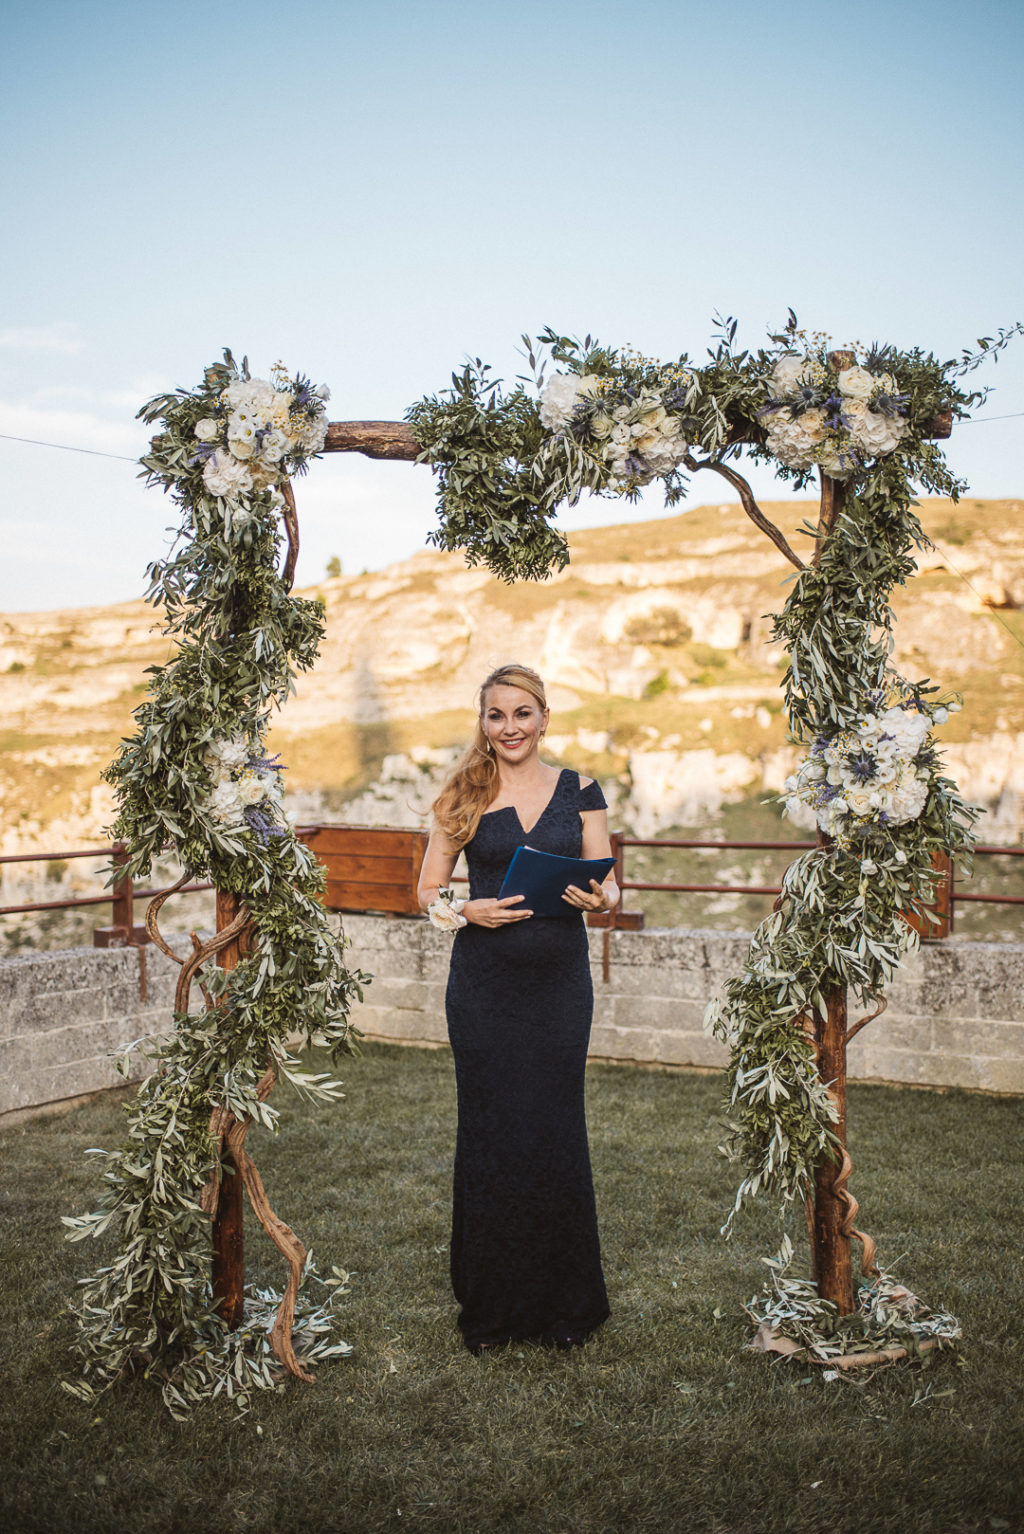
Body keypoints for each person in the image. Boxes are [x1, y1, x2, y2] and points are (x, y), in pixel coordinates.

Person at [418, 662, 619, 1354]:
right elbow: (426, 893)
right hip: (484, 990)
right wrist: (465, 908)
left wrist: (599, 899)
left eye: (522, 714)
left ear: (544, 718)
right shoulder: (463, 792)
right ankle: (493, 1312)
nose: (509, 728)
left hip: (560, 989)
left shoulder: (582, 790)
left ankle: (566, 1307)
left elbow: (609, 884)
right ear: (483, 722)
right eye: (496, 715)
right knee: (493, 1136)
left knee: (555, 1134)